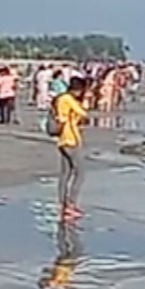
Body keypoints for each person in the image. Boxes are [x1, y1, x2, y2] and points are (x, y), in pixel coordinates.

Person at [54, 76, 89, 220]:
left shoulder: (61, 99)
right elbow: (83, 113)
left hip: (62, 139)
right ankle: (71, 204)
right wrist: (85, 101)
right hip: (71, 139)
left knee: (65, 174)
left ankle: (64, 205)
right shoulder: (68, 99)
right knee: (80, 173)